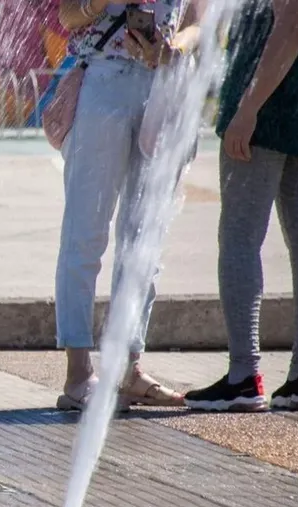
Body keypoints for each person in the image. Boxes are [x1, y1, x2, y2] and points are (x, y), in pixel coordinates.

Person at [53, 0, 204, 410]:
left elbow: (198, 23)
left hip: (165, 85)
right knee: (85, 231)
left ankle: (128, 367)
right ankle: (78, 373)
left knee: (144, 238)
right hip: (105, 82)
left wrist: (173, 48)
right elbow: (68, 15)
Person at [185, 0, 298, 411]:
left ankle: (244, 375)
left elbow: (294, 26)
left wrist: (248, 108)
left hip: (267, 106)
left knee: (240, 238)